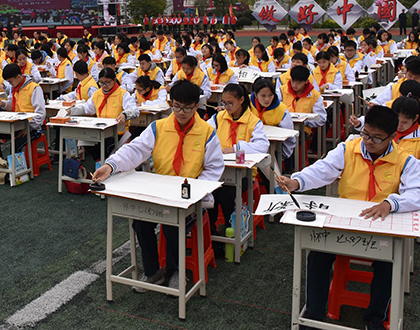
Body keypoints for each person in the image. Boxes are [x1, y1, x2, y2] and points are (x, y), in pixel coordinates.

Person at [276, 106, 420, 330]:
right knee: (317, 254)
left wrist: (391, 203)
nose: (369, 141)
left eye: (377, 138)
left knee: (388, 264)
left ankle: (375, 318)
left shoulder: (404, 161)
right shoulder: (348, 148)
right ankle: (314, 315)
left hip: (379, 224)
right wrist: (297, 181)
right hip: (344, 219)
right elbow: (324, 169)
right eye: (366, 134)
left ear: (392, 136)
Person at [92, 80, 224, 292]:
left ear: (195, 106)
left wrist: (197, 191)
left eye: (187, 108)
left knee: (174, 227)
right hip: (161, 190)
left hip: (189, 195)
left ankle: (175, 272)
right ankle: (153, 271)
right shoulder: (159, 127)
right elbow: (135, 150)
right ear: (171, 103)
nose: (181, 112)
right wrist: (111, 165)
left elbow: (214, 167)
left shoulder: (207, 132)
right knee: (140, 222)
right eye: (177, 106)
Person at [207, 83, 269, 233]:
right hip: (219, 169)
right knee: (208, 193)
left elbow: (262, 146)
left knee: (226, 194)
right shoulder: (219, 117)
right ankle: (211, 232)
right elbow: (205, 134)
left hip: (243, 173)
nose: (226, 106)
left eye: (230, 103)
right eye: (224, 103)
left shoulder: (253, 122)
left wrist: (235, 149)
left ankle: (231, 230)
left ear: (241, 100)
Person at [69, 67, 139, 167]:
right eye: (101, 83)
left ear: (114, 80)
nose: (104, 86)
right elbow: (87, 108)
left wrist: (125, 114)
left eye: (107, 82)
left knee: (106, 147)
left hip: (117, 133)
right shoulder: (97, 94)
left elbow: (135, 111)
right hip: (101, 130)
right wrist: (71, 111)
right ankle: (100, 162)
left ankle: (105, 164)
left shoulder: (123, 94)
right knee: (83, 140)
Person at [0, 63, 46, 158]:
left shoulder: (34, 88)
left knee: (15, 144)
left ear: (18, 76)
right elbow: (12, 106)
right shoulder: (14, 88)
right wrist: (3, 104)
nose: (10, 84)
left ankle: (16, 169)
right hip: (16, 125)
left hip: (31, 128)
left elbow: (40, 114)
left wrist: (28, 127)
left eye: (11, 81)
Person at [250, 77, 296, 164]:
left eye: (270, 95)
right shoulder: (246, 105)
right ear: (256, 95)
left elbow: (290, 136)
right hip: (250, 145)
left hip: (273, 149)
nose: (267, 99)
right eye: (263, 96)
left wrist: (283, 155)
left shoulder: (281, 110)